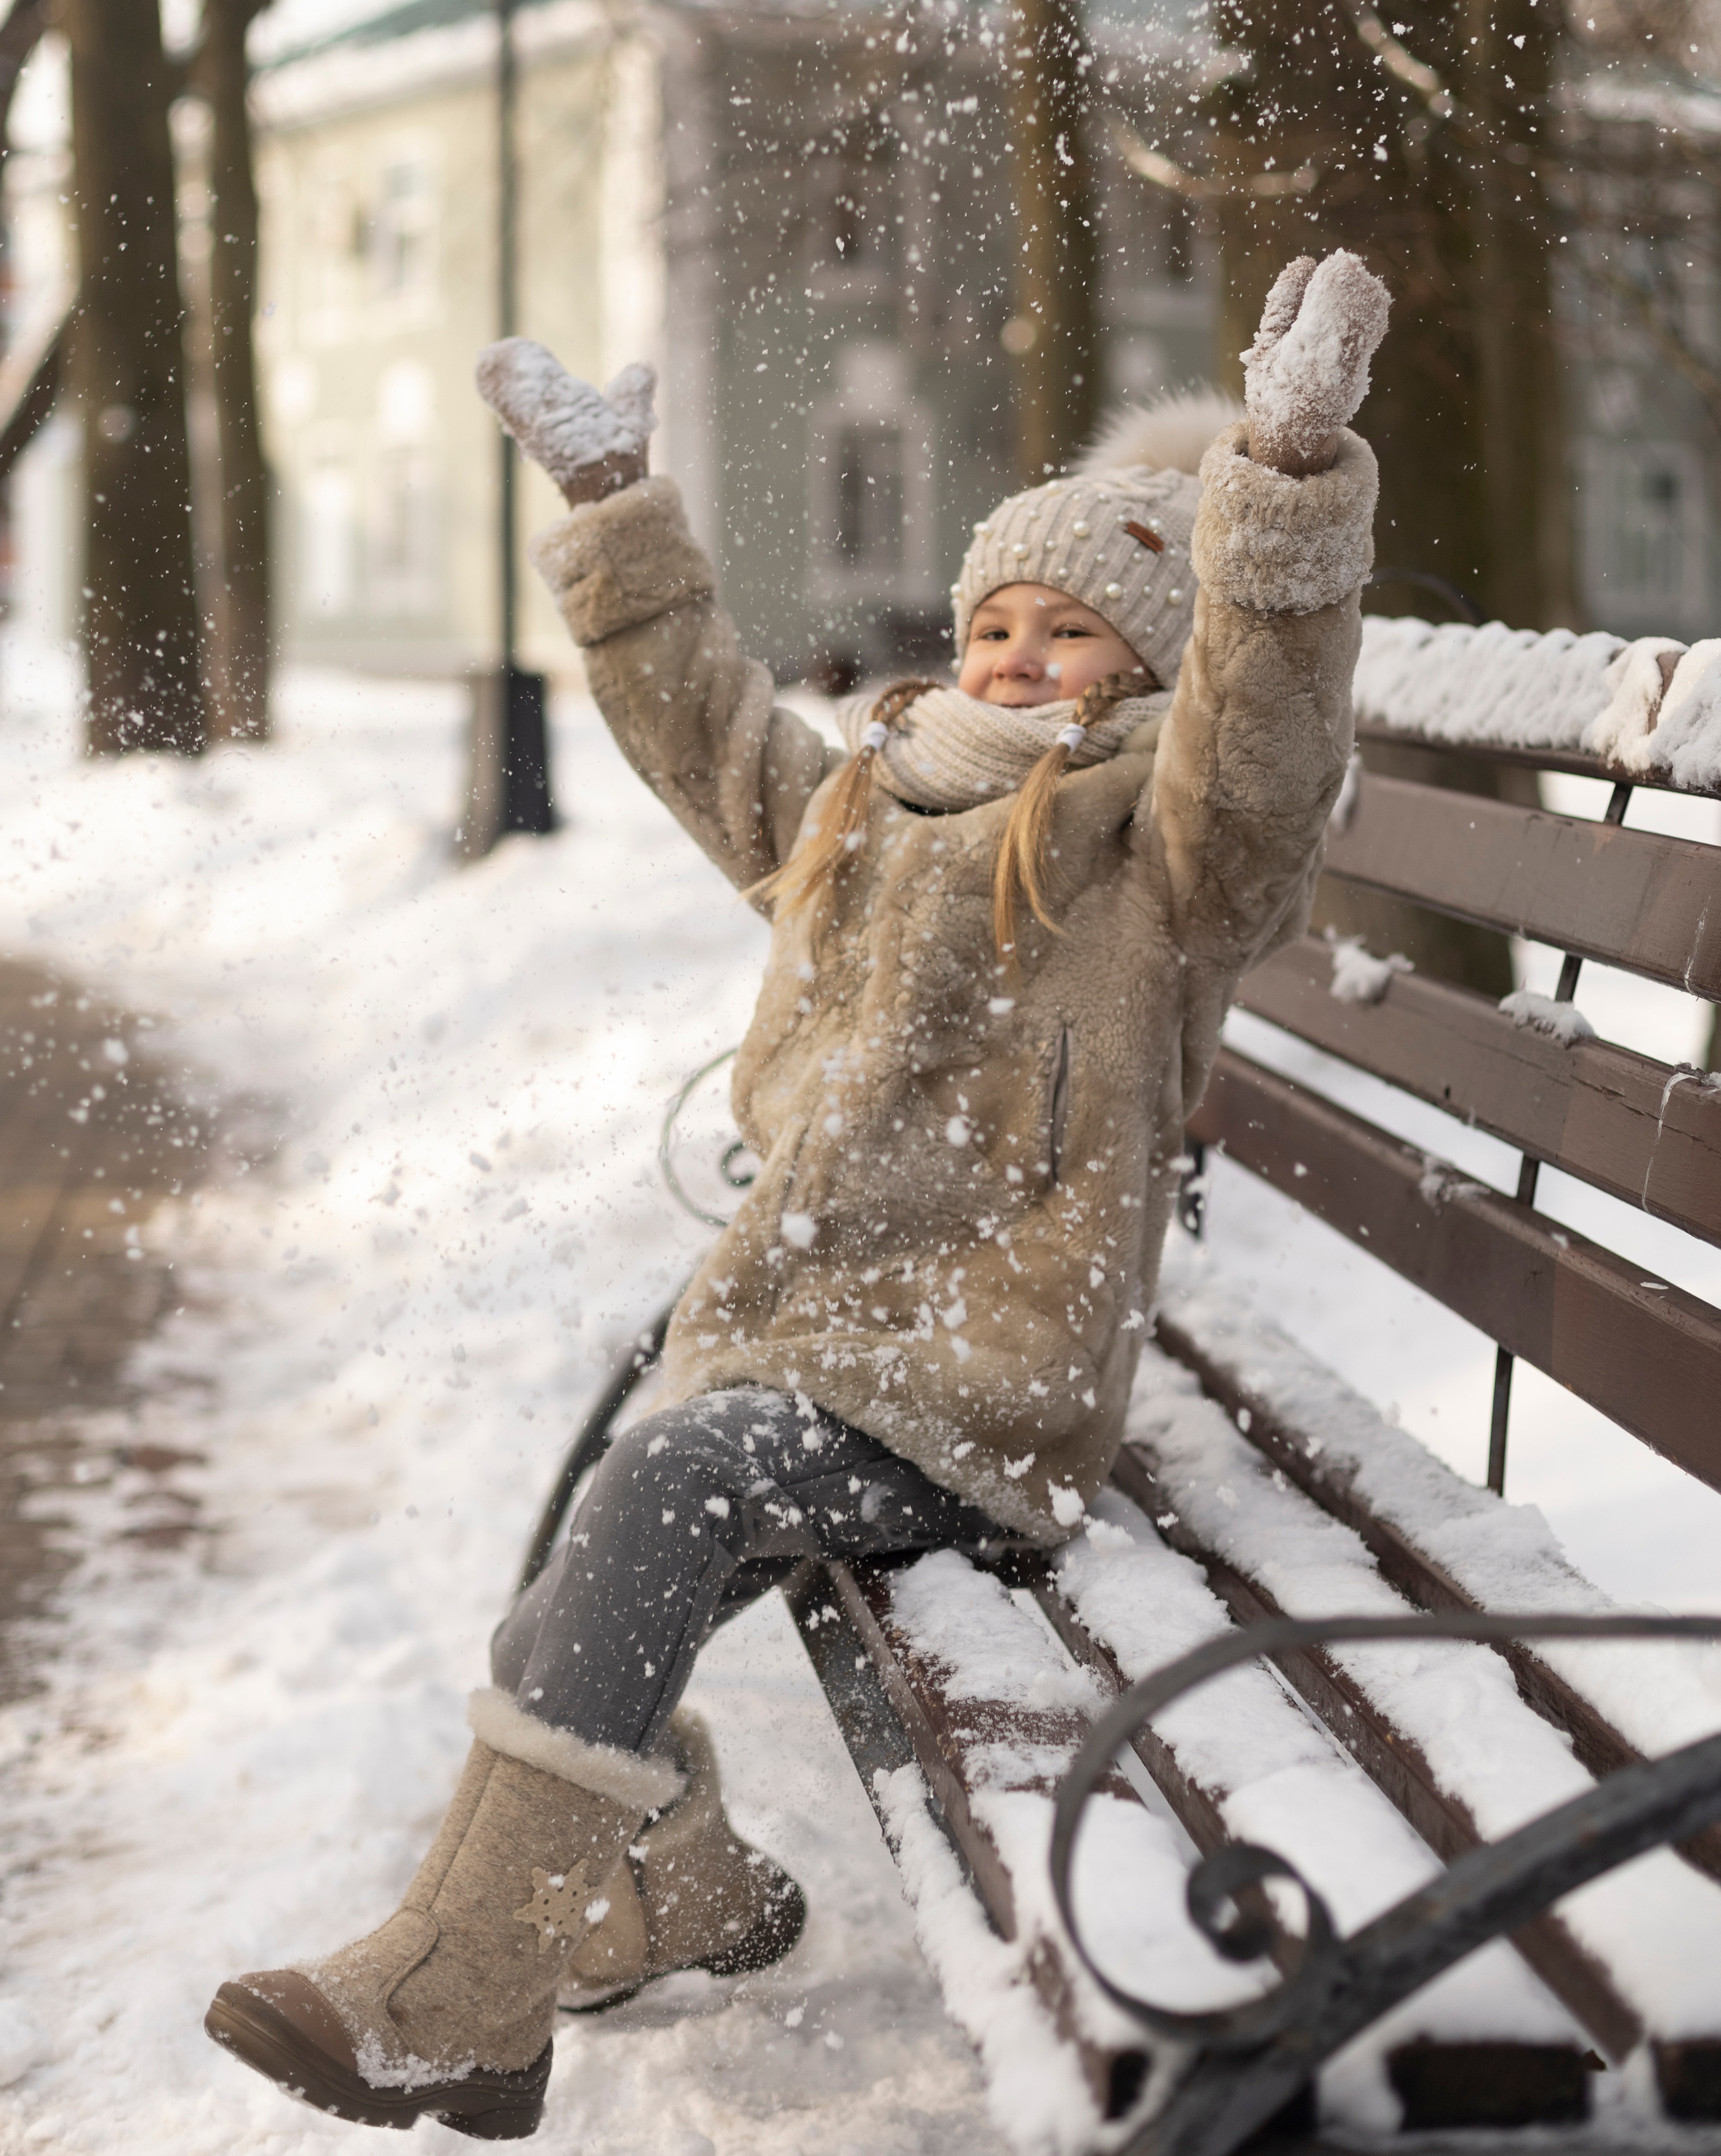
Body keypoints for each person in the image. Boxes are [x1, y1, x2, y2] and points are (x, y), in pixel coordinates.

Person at [206, 249, 1389, 2136]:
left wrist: (1287, 480)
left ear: (1150, 668)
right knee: (627, 1512)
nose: (1016, 653)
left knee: (668, 1479)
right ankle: (676, 1884)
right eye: (998, 617)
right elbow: (698, 727)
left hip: (983, 1385)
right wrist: (619, 519)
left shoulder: (1169, 859)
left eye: (1073, 633)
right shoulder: (859, 814)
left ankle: (462, 1986)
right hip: (807, 1334)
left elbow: (1264, 735)